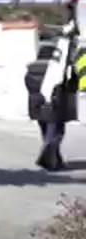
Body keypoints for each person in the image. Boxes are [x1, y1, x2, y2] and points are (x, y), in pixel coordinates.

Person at [32, 21, 81, 172]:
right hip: (52, 106)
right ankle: (50, 162)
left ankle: (55, 161)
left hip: (37, 108)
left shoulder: (32, 71)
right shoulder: (54, 72)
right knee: (55, 135)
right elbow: (65, 84)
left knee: (48, 134)